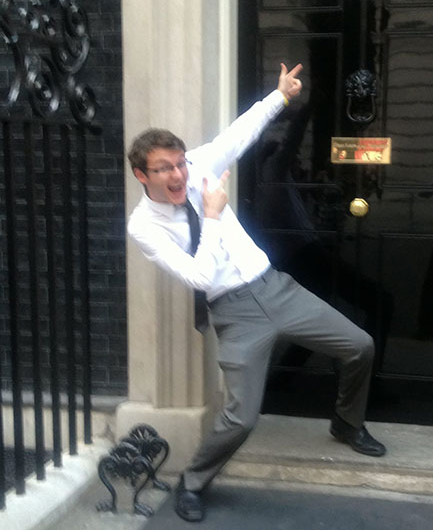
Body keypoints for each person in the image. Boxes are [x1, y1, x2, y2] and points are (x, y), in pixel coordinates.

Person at [126, 63, 386, 523]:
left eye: (180, 163)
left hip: (276, 287)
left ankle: (347, 422)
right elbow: (200, 279)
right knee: (242, 418)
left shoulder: (201, 167)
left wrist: (281, 97)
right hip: (235, 311)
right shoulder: (144, 227)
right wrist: (210, 216)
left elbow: (239, 134)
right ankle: (192, 482)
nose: (177, 174)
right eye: (163, 168)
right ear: (141, 176)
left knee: (359, 345)